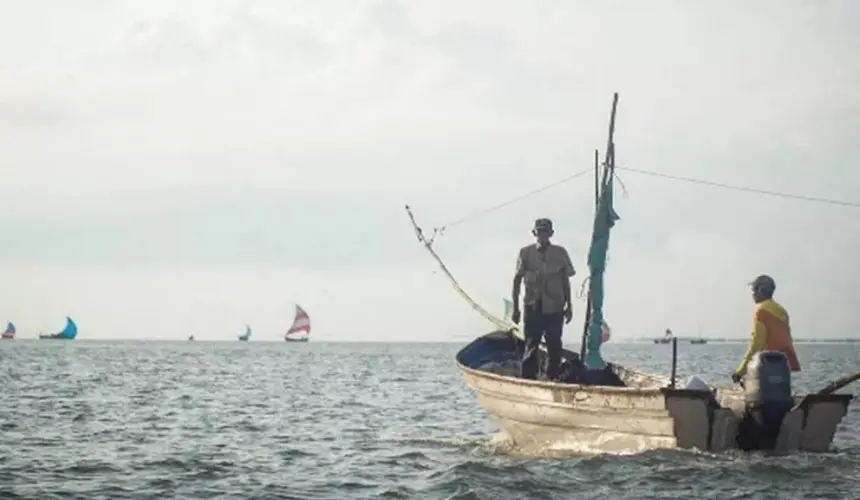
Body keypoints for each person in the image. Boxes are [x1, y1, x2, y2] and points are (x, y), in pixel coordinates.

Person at [511, 218, 576, 380]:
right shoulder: (525, 253)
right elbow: (517, 280)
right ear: (534, 233)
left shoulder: (560, 253)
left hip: (555, 307)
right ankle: (528, 380)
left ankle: (551, 379)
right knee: (531, 346)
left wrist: (569, 305)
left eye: (545, 231)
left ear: (551, 233)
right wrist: (515, 308)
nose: (542, 234)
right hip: (533, 306)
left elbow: (565, 281)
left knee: (555, 346)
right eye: (539, 231)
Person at [732, 274, 801, 384]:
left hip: (766, 364)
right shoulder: (782, 311)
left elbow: (756, 344)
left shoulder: (760, 311)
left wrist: (740, 371)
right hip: (783, 365)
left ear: (761, 290)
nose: (753, 294)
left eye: (754, 290)